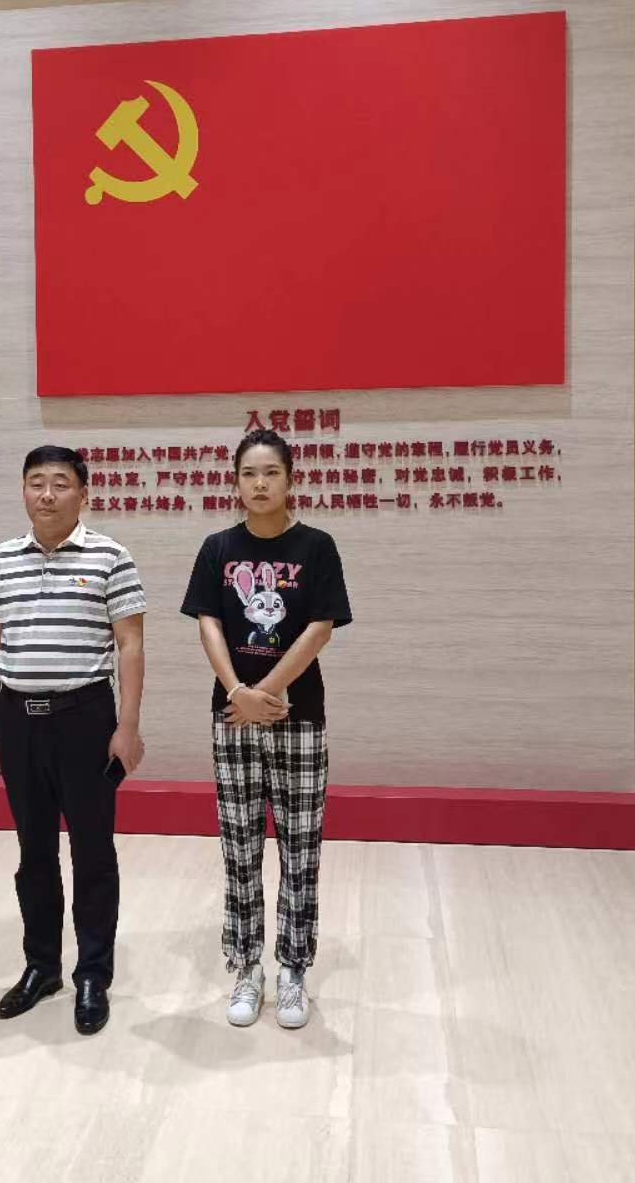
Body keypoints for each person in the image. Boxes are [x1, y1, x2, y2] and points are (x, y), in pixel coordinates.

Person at [180, 429, 352, 1029]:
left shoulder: (317, 547)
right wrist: (239, 693)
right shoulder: (217, 548)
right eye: (249, 473)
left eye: (271, 473)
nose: (260, 484)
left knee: (300, 847)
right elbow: (207, 621)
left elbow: (320, 627)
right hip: (232, 716)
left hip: (297, 716)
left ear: (290, 480)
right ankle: (246, 965)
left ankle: (293, 969)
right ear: (235, 482)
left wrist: (268, 693)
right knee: (240, 846)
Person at [0, 445, 147, 1036]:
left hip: (86, 720)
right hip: (17, 719)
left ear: (83, 493)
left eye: (60, 483)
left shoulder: (110, 556)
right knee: (34, 852)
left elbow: (129, 644)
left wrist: (127, 726)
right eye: (36, 482)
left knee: (93, 852)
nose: (47, 494)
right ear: (23, 490)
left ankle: (93, 973)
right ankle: (41, 967)